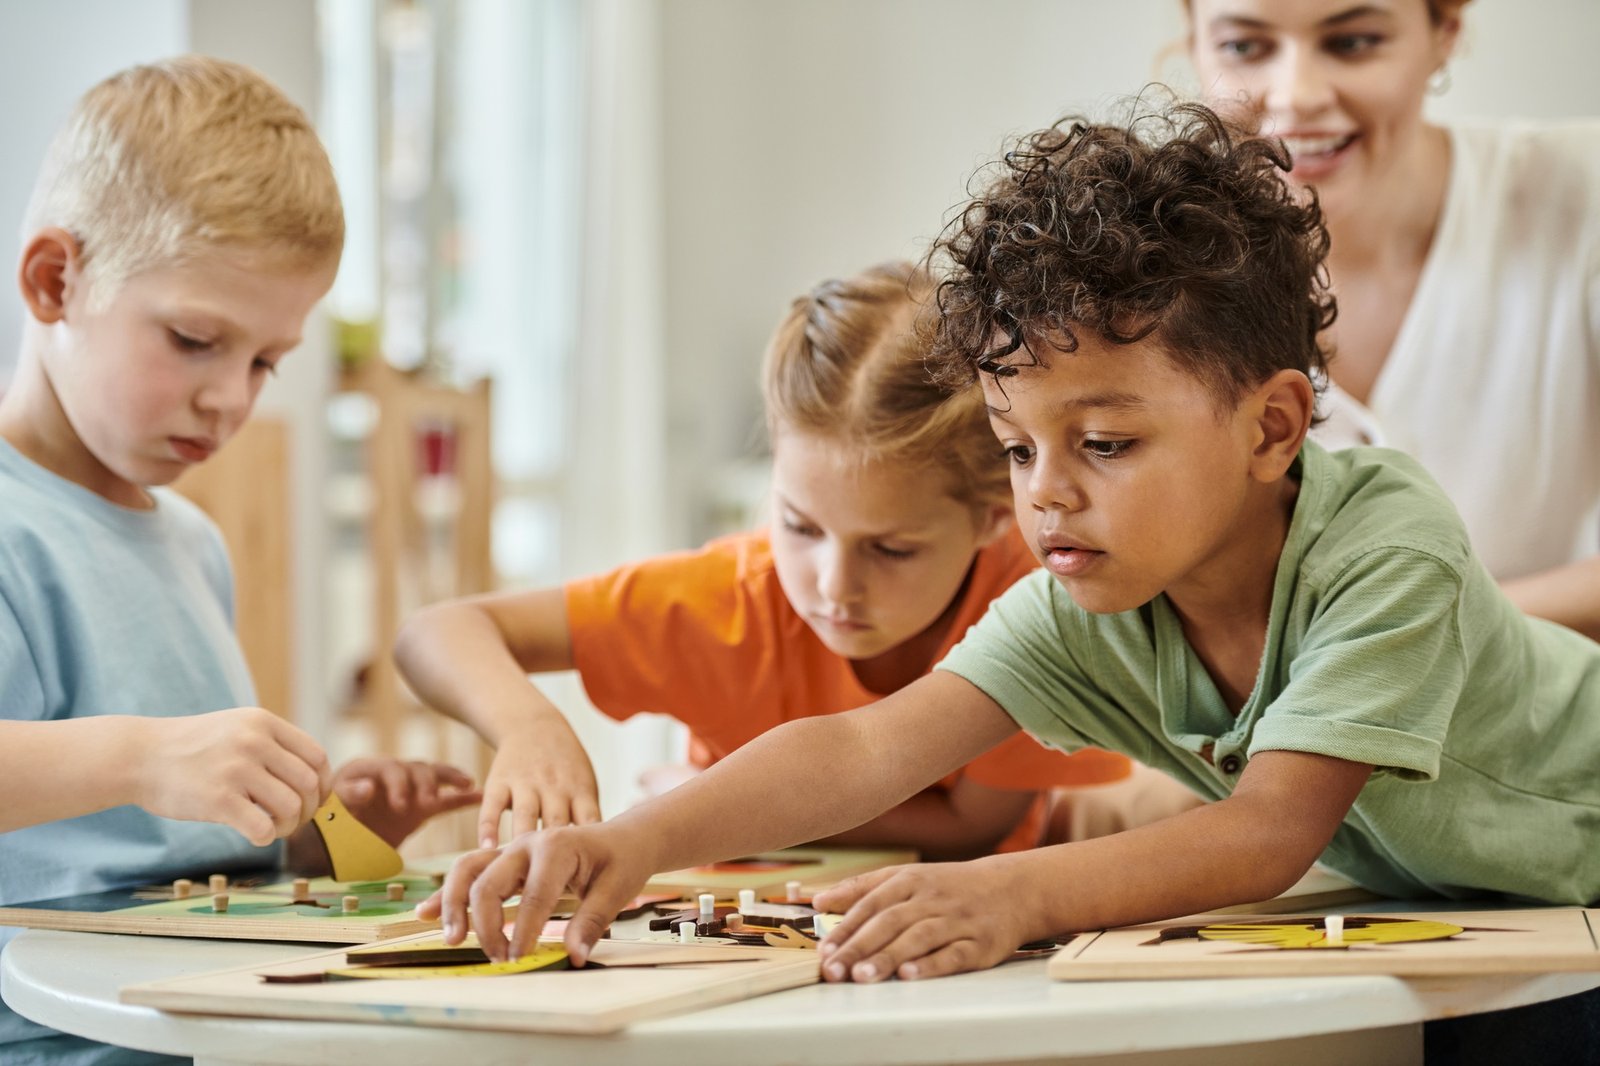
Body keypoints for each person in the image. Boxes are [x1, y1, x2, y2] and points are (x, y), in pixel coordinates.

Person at [421, 105, 1600, 994]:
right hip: (1496, 914)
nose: (1047, 497)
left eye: (1100, 440)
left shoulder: (1384, 542)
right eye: (1016, 450)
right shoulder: (1092, 599)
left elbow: (1266, 829)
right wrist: (629, 844)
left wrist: (1012, 892)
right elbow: (868, 743)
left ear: (1272, 426)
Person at [0, 57, 477, 1064]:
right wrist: (143, 755)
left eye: (266, 360)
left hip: (227, 1026)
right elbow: (135, 782)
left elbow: (188, 854)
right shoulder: (14, 529)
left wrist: (319, 827)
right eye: (192, 339)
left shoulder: (193, 542)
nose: (233, 398)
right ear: (55, 282)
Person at [394, 261, 1129, 859]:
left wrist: (715, 806)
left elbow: (977, 828)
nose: (834, 586)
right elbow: (434, 633)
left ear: (993, 517)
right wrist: (532, 729)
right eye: (799, 527)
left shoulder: (1039, 601)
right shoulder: (726, 599)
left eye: (891, 549)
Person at [1186, 0, 1600, 639]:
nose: (1296, 95)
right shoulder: (1155, 273)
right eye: (1245, 47)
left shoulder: (1581, 193)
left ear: (1446, 33)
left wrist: (1401, 628)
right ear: (1195, 44)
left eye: (1352, 42)